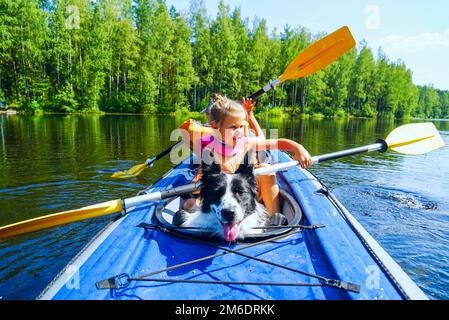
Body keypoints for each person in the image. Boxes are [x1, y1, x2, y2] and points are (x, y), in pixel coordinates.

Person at [182, 94, 312, 216]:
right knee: (190, 204)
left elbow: (277, 142)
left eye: (240, 127)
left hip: (248, 197)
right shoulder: (209, 150)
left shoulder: (247, 143)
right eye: (233, 127)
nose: (239, 132)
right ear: (215, 127)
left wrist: (298, 148)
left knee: (265, 169)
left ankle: (274, 217)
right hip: (224, 201)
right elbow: (200, 183)